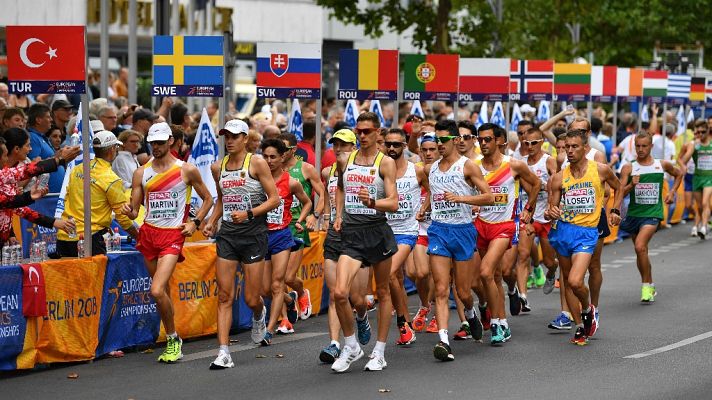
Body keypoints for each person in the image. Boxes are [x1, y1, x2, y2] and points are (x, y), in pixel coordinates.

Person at [122, 122, 214, 363]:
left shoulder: (186, 169)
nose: (156, 147)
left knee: (156, 290)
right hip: (149, 234)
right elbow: (134, 209)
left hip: (173, 235)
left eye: (161, 143)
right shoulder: (141, 173)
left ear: (171, 141)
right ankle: (173, 337)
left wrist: (195, 222)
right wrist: (128, 211)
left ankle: (173, 338)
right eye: (152, 143)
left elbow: (207, 200)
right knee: (164, 291)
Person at [202, 119, 279, 369]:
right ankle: (224, 352)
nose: (230, 141)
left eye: (235, 136)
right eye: (226, 136)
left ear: (246, 138)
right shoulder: (218, 167)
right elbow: (222, 200)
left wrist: (249, 213)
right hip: (228, 236)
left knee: (251, 298)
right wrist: (211, 221)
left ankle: (259, 313)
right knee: (224, 295)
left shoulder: (256, 162)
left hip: (254, 235)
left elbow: (275, 199)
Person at [330, 112, 399, 373]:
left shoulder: (385, 163)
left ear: (377, 132)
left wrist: (373, 203)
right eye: (359, 131)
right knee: (339, 292)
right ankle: (351, 346)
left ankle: (379, 351)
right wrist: (337, 214)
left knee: (382, 292)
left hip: (377, 230)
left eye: (367, 131)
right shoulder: (345, 160)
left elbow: (392, 202)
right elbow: (339, 187)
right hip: (352, 232)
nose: (362, 135)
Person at [423, 120, 493, 361]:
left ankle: (472, 313)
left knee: (463, 292)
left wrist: (462, 199)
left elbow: (489, 197)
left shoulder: (468, 167)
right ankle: (443, 341)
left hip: (463, 231)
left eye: (443, 140)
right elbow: (433, 194)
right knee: (441, 289)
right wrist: (425, 208)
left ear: (455, 140)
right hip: (439, 231)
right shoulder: (430, 168)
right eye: (436, 140)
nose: (439, 145)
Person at [546, 129, 623, 345]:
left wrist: (615, 211)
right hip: (562, 231)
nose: (569, 151)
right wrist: (550, 211)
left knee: (575, 280)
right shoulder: (559, 178)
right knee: (568, 283)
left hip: (587, 232)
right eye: (566, 147)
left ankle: (588, 308)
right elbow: (551, 208)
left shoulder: (600, 170)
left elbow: (619, 188)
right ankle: (581, 326)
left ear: (585, 148)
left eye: (574, 146)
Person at [474, 123, 540, 345]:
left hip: (504, 225)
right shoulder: (473, 166)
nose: (483, 143)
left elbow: (536, 183)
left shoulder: (513, 165)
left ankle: (495, 322)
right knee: (493, 277)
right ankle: (502, 322)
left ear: (499, 141)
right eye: (480, 139)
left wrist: (528, 210)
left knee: (486, 273)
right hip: (481, 225)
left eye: (487, 139)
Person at [318, 129, 371, 362]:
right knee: (336, 294)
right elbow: (328, 200)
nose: (338, 149)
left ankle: (361, 317)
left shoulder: (364, 171)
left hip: (360, 236)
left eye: (344, 145)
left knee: (357, 298)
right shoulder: (327, 172)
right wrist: (326, 218)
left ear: (354, 147)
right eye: (335, 145)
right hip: (335, 235)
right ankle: (334, 344)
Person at [259, 138, 312, 345]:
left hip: (281, 235)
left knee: (276, 283)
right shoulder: (257, 180)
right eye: (265, 156)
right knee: (265, 289)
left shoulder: (291, 182)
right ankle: (289, 301)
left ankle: (271, 330)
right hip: (261, 236)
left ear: (282, 157)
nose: (269, 161)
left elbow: (307, 202)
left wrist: (300, 220)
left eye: (273, 157)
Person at [619, 132, 683, 303]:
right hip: (633, 214)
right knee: (642, 252)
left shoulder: (661, 165)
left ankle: (646, 286)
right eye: (638, 146)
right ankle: (650, 283)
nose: (640, 149)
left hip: (652, 214)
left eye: (644, 146)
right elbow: (620, 191)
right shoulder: (628, 168)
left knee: (640, 247)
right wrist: (631, 185)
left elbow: (679, 174)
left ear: (651, 147)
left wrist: (672, 192)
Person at [57, 131, 139, 257]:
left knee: (68, 277)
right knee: (94, 277)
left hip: (65, 235)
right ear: (112, 149)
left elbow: (67, 197)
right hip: (90, 238)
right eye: (116, 147)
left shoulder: (78, 169)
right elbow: (123, 216)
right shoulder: (111, 179)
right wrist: (139, 237)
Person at [383, 128, 429, 346]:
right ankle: (408, 326)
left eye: (397, 145)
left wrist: (424, 208)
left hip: (408, 230)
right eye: (388, 144)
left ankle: (402, 322)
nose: (392, 148)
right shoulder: (380, 170)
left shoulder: (416, 171)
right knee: (396, 279)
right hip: (384, 230)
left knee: (391, 273)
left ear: (404, 147)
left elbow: (432, 190)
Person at [0, 128, 79, 247]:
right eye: (5, 155)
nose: (6, 159)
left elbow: (16, 208)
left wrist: (11, 234)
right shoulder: (4, 174)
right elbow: (27, 171)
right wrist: (59, 160)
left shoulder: (5, 174)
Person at [280, 133, 325, 325]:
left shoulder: (306, 169)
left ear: (293, 150)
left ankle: (300, 292)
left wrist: (314, 215)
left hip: (297, 225)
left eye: (283, 150)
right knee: (278, 278)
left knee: (289, 277)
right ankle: (284, 319)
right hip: (276, 225)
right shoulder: (271, 169)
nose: (279, 154)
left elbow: (323, 195)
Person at [516, 127, 559, 313]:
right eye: (526, 143)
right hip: (528, 217)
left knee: (549, 261)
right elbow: (523, 187)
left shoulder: (548, 160)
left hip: (547, 218)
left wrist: (547, 189)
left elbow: (558, 184)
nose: (530, 146)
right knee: (523, 255)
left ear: (542, 142)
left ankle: (551, 273)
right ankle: (522, 296)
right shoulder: (520, 163)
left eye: (534, 142)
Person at [410, 132, 440, 334]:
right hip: (421, 230)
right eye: (425, 150)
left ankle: (438, 315)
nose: (428, 153)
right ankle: (425, 305)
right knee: (418, 273)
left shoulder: (448, 170)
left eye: (432, 150)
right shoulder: (415, 171)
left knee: (440, 277)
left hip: (441, 230)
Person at [679, 119, 712, 239]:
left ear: (708, 131)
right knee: (699, 206)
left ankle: (703, 227)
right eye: (698, 132)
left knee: (705, 202)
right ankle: (700, 224)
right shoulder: (694, 144)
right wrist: (683, 165)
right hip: (697, 177)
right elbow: (683, 159)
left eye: (703, 132)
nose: (700, 134)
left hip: (709, 177)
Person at [26, 103, 66, 193]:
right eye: (48, 117)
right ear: (38, 120)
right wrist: (57, 157)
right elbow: (34, 167)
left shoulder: (41, 137)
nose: (51, 120)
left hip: (54, 195)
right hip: (46, 196)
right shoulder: (33, 138)